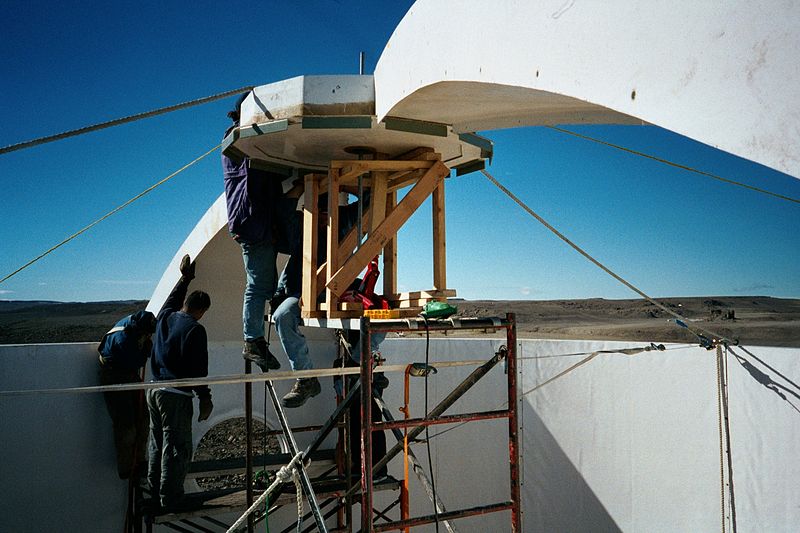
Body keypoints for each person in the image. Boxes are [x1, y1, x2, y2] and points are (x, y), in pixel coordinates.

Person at [146, 255, 213, 508]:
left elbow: (172, 299)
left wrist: (185, 278)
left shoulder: (165, 317)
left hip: (153, 390)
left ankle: (154, 494)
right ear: (202, 310)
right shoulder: (195, 330)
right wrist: (205, 398)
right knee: (176, 447)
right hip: (176, 395)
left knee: (156, 443)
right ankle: (171, 498)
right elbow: (198, 370)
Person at [222, 92, 282, 373]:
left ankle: (275, 307)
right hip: (253, 222)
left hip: (254, 222)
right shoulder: (241, 137)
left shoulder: (237, 138)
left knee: (263, 284)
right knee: (258, 286)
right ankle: (252, 340)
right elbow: (259, 171)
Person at [98, 309, 156, 479]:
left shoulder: (135, 326)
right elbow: (137, 360)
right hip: (114, 375)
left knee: (143, 418)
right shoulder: (122, 338)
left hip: (129, 372)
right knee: (126, 425)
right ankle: (126, 467)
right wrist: (145, 350)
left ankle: (139, 461)